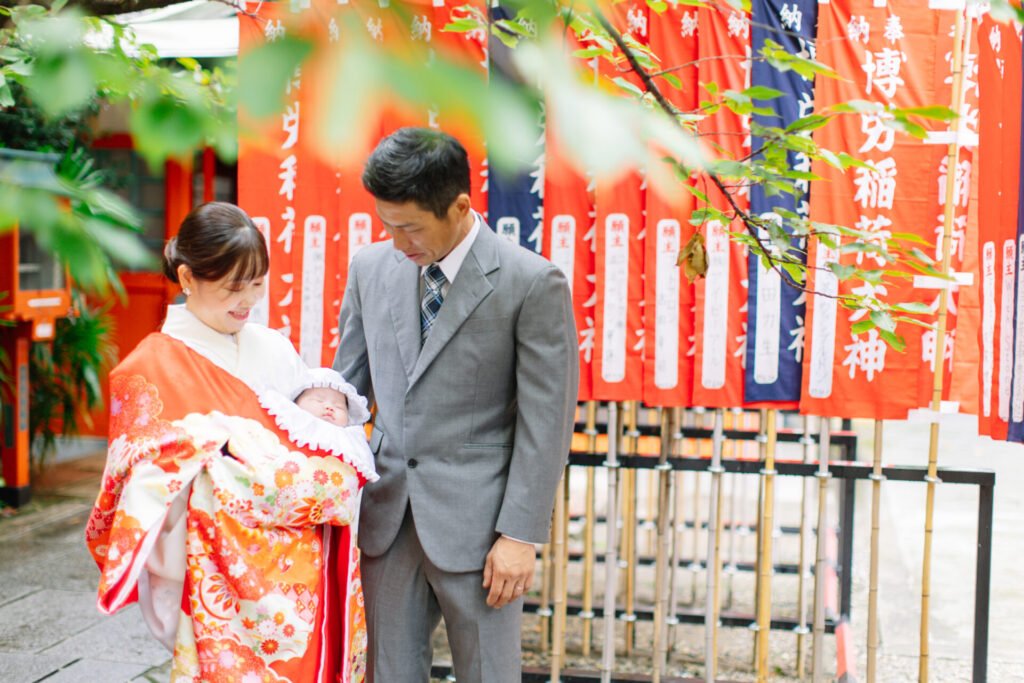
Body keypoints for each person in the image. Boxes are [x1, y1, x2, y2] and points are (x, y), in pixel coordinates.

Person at [85, 201, 376, 683]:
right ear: (186, 279)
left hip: (298, 582)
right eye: (232, 289)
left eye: (257, 285)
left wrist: (242, 465)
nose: (247, 302)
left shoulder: (275, 350)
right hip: (214, 583)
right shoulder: (148, 370)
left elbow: (323, 449)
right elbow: (142, 487)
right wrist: (245, 475)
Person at [334, 127, 579, 682]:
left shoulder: (530, 281)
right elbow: (346, 391)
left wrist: (520, 535)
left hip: (484, 529)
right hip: (387, 517)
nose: (397, 241)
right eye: (387, 225)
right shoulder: (369, 269)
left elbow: (548, 420)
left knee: (488, 674)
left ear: (460, 206)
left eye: (410, 227)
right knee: (387, 673)